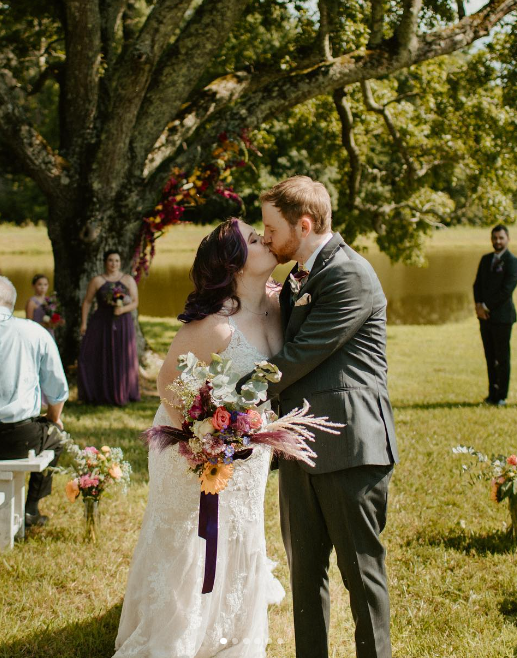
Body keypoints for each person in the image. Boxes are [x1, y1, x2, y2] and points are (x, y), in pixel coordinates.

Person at [114, 219, 284, 658]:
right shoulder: (216, 324)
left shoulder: (278, 303)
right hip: (196, 451)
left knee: (242, 529)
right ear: (235, 264)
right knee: (191, 539)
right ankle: (177, 635)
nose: (265, 238)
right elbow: (168, 382)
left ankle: (230, 633)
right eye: (253, 237)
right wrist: (205, 443)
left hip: (250, 450)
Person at [249, 175, 399, 658]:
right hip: (299, 444)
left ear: (305, 224)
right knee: (305, 575)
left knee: (362, 578)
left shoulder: (349, 274)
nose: (266, 237)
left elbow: (298, 356)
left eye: (271, 228)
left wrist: (228, 396)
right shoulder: (299, 276)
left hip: (349, 447)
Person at [0, 276, 68, 527]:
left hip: (17, 433)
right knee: (56, 436)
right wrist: (53, 419)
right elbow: (58, 391)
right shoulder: (34, 332)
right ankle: (30, 508)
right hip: (20, 437)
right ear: (12, 302)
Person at [78, 249, 140, 406]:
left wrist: (122, 309)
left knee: (121, 355)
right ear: (105, 262)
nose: (114, 264)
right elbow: (87, 302)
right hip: (101, 322)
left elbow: (134, 302)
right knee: (98, 355)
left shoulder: (128, 280)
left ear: (120, 263)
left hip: (123, 322)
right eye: (111, 260)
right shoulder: (97, 280)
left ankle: (122, 392)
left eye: (117, 261)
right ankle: (99, 393)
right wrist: (84, 323)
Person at [473, 224, 517, 406]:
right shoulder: (485, 259)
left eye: (501, 238)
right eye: (495, 238)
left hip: (502, 318)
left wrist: (486, 306)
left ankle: (502, 396)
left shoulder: (513, 261)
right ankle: (491, 394)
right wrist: (478, 306)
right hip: (485, 318)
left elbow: (507, 290)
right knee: (489, 356)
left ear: (507, 239)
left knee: (502, 357)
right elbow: (477, 285)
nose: (498, 241)